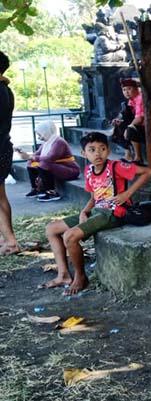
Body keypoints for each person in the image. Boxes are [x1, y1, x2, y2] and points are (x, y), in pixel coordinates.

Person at [43, 132, 151, 295]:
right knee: (51, 229)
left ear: (108, 151)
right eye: (92, 150)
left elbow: (148, 172)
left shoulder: (116, 167)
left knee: (70, 236)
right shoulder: (88, 171)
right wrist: (84, 211)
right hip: (96, 210)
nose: (97, 153)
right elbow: (94, 197)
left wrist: (127, 194)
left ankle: (80, 277)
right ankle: (64, 274)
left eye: (102, 149)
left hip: (113, 212)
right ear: (83, 154)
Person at [15, 121, 80, 202]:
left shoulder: (59, 142)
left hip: (70, 170)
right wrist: (24, 154)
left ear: (46, 132)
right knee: (30, 163)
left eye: (40, 134)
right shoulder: (46, 143)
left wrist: (31, 157)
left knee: (44, 164)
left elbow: (50, 158)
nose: (39, 137)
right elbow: (36, 155)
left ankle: (52, 192)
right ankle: (37, 189)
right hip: (58, 168)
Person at [0, 50, 20, 256]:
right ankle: (7, 238)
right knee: (1, 196)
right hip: (3, 145)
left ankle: (11, 242)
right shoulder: (5, 89)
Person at [111, 78, 146, 166]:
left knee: (130, 130)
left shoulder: (140, 98)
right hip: (140, 127)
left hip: (150, 129)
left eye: (129, 89)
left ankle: (138, 157)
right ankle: (128, 154)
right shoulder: (131, 100)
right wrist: (119, 120)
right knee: (118, 128)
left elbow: (140, 119)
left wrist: (128, 127)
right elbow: (126, 116)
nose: (126, 92)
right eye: (124, 90)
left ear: (136, 88)